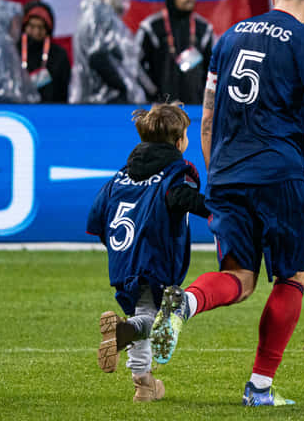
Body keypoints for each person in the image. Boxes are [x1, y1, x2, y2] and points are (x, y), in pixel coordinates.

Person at [149, 0, 304, 406]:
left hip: (227, 173)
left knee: (238, 277)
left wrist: (217, 174)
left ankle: (186, 304)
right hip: (281, 175)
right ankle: (259, 388)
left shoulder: (227, 39)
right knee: (292, 276)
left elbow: (207, 117)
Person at [87, 104, 210, 403]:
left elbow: (97, 216)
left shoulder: (121, 175)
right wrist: (219, 210)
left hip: (122, 259)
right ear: (179, 142)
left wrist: (119, 250)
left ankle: (143, 384)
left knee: (141, 312)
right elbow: (181, 198)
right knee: (151, 319)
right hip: (155, 257)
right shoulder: (177, 172)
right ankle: (122, 332)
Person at [70, 0, 147, 104]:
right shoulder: (98, 14)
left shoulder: (97, 13)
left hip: (97, 98)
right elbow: (98, 55)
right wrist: (126, 86)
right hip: (102, 101)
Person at [137, 0, 214, 105]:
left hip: (196, 108)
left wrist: (205, 95)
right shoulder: (151, 27)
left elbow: (215, 67)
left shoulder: (204, 28)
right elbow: (135, 65)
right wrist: (153, 92)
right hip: (160, 108)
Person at [18, 0, 71, 103]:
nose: (36, 32)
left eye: (41, 27)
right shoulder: (15, 51)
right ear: (24, 26)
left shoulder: (59, 55)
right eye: (32, 26)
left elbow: (63, 93)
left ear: (48, 29)